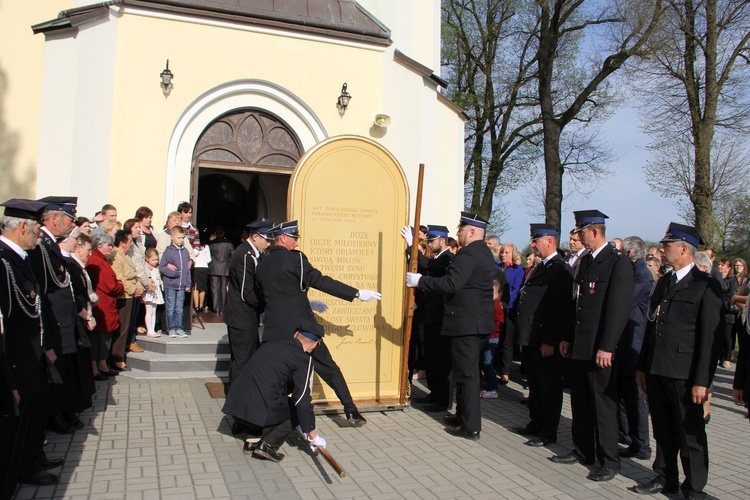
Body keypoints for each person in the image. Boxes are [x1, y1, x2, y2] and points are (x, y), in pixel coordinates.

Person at [255, 220, 381, 425]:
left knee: (279, 377)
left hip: (275, 331)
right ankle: (350, 410)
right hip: (301, 331)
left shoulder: (263, 264)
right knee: (329, 369)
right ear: (283, 238)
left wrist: (302, 299)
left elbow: (266, 296)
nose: (296, 243)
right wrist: (356, 293)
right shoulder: (295, 259)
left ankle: (273, 421)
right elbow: (320, 280)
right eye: (294, 238)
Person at [634, 223, 721, 499]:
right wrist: (642, 366)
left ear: (684, 249)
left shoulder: (705, 285)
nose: (663, 250)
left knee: (690, 433)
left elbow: (709, 340)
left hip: (684, 374)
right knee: (663, 429)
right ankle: (665, 477)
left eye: (668, 246)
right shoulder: (665, 282)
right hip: (658, 368)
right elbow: (652, 326)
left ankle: (694, 487)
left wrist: (702, 381)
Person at [552, 210, 634, 483]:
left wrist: (607, 346)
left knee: (603, 405)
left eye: (581, 231)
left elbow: (618, 309)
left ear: (595, 231)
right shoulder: (586, 261)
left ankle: (609, 460)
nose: (577, 235)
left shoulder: (616, 262)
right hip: (580, 345)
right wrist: (567, 337)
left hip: (600, 348)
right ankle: (583, 450)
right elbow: (576, 304)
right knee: (581, 402)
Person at [406, 212, 496, 440]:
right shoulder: (482, 252)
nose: (458, 232)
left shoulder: (468, 253)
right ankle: (462, 415)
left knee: (466, 377)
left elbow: (453, 283)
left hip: (466, 324)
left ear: (472, 232)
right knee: (466, 374)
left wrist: (420, 281)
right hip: (475, 323)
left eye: (462, 229)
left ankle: (470, 426)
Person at [0, 199, 62, 493]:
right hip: (15, 358)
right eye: (37, 227)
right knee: (17, 423)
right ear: (23, 226)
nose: (40, 233)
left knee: (33, 416)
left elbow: (35, 306)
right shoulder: (3, 262)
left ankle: (31, 461)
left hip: (31, 354)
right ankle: (19, 470)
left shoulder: (20, 259)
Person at [222, 318, 328, 463]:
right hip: (256, 409)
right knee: (296, 408)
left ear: (296, 334)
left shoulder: (272, 344)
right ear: (315, 344)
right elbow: (302, 400)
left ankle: (252, 440)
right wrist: (313, 435)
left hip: (236, 407)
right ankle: (268, 445)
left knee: (265, 393)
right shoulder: (303, 359)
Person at [27, 196, 84, 435]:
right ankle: (52, 417)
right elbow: (42, 292)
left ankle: (58, 413)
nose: (72, 224)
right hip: (53, 324)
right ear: (54, 218)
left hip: (61, 323)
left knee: (62, 374)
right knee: (52, 379)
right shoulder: (42, 248)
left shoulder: (49, 246)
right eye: (69, 219)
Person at [513, 224, 572, 447]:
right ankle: (536, 422)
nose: (533, 245)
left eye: (536, 241)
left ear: (549, 241)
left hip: (544, 340)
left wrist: (550, 341)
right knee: (536, 385)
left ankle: (549, 431)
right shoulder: (541, 267)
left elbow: (558, 309)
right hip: (531, 337)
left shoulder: (559, 269)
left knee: (549, 387)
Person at [403, 225, 454, 412]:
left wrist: (412, 247)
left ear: (443, 241)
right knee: (432, 358)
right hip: (432, 316)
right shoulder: (440, 258)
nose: (430, 245)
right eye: (429, 242)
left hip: (441, 317)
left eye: (432, 241)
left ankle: (442, 400)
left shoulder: (448, 259)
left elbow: (427, 264)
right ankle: (435, 393)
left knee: (441, 360)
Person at [224, 219, 273, 396]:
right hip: (242, 316)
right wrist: (266, 306)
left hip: (245, 316)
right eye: (266, 239)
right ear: (255, 236)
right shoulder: (245, 255)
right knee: (242, 360)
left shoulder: (254, 254)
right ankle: (237, 397)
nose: (268, 244)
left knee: (244, 357)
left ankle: (238, 394)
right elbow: (247, 292)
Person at [617, 236, 654, 460]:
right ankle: (629, 437)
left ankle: (642, 445)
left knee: (636, 397)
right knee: (624, 393)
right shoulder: (634, 272)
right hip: (625, 341)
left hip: (634, 341)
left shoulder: (642, 274)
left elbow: (625, 300)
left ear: (630, 253)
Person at [86, 233, 124, 379]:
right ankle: (96, 368)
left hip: (105, 304)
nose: (111, 248)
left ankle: (102, 364)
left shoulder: (100, 260)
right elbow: (111, 286)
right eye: (108, 245)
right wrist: (120, 285)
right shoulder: (97, 261)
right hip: (102, 305)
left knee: (104, 337)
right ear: (100, 245)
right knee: (99, 338)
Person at [110, 230, 143, 369]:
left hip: (131, 295)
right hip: (123, 296)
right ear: (122, 243)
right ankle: (117, 358)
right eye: (129, 241)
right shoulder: (115, 256)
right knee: (122, 328)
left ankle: (120, 353)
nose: (131, 244)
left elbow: (134, 274)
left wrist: (138, 287)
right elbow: (119, 278)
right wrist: (133, 288)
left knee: (127, 326)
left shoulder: (125, 255)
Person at [498, 242, 525, 385]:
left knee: (507, 341)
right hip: (494, 307)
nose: (503, 255)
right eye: (502, 252)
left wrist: (504, 303)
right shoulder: (496, 268)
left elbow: (516, 289)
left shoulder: (518, 270)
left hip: (509, 308)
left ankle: (505, 371)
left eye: (506, 252)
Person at [160, 226, 192, 338]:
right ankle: (171, 328)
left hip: (182, 286)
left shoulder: (185, 252)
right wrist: (174, 273)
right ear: (172, 237)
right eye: (178, 237)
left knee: (179, 308)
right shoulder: (168, 252)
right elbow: (162, 267)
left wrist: (188, 283)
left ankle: (179, 328)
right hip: (170, 285)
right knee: (170, 308)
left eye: (183, 237)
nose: (181, 240)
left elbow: (187, 270)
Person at [480, 280, 504, 399]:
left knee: (488, 363)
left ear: (497, 293)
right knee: (484, 362)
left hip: (492, 338)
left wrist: (491, 330)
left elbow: (499, 322)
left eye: (492, 292)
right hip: (488, 336)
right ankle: (489, 386)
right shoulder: (489, 304)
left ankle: (493, 389)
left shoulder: (496, 306)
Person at [207, 226, 234, 314]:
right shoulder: (229, 244)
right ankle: (223, 308)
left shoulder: (210, 244)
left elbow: (208, 256)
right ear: (223, 233)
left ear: (215, 234)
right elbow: (232, 256)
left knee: (214, 289)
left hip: (213, 267)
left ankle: (216, 308)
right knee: (223, 289)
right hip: (225, 268)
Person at [717, 258, 739, 368]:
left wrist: (720, 298)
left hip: (728, 311)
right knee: (718, 334)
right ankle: (718, 356)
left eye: (722, 265)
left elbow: (733, 294)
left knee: (727, 335)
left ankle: (727, 358)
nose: (720, 266)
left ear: (728, 267)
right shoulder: (715, 277)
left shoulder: (732, 279)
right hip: (717, 310)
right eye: (719, 264)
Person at [142, 248, 164, 338]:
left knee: (154, 311)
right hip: (149, 291)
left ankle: (153, 329)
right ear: (147, 259)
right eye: (153, 260)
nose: (155, 261)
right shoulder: (147, 267)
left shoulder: (156, 268)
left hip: (156, 291)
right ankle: (149, 330)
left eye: (156, 259)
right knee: (149, 310)